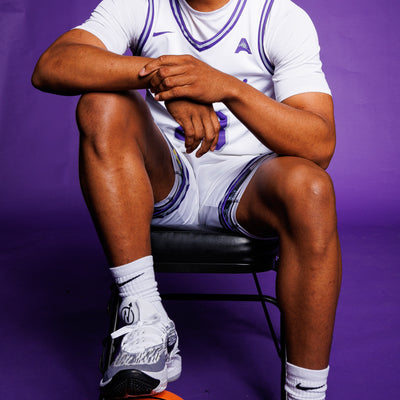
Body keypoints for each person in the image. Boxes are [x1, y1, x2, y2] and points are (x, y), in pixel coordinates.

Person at [32, 0, 342, 399]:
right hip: (163, 179)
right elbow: (52, 65)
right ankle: (146, 315)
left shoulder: (279, 16)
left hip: (247, 186)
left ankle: (306, 393)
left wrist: (227, 87)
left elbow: (319, 144)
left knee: (312, 188)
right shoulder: (140, 4)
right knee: (101, 104)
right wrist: (166, 78)